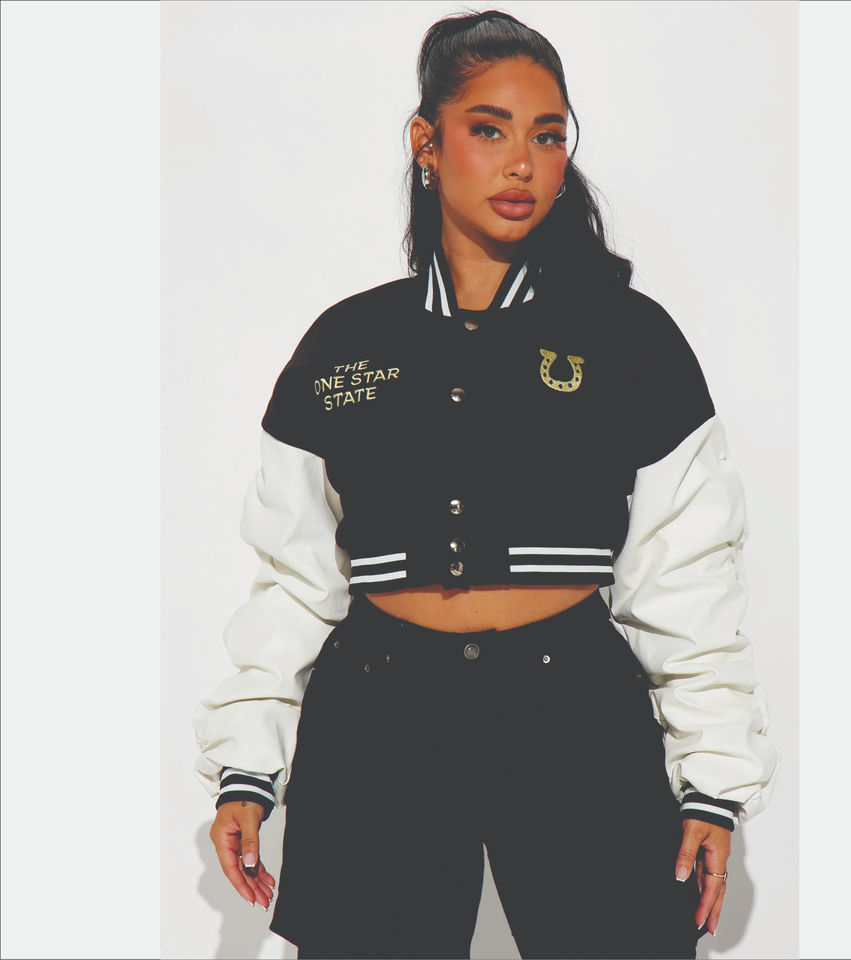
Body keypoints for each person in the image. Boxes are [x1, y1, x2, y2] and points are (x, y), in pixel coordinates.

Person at [193, 10, 780, 960]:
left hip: (573, 717)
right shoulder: (345, 346)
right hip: (378, 722)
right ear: (426, 142)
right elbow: (295, 579)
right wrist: (246, 769)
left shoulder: (631, 340)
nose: (522, 163)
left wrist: (713, 781)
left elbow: (688, 573)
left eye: (547, 136)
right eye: (489, 128)